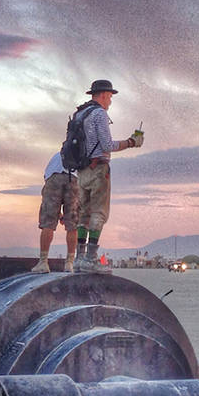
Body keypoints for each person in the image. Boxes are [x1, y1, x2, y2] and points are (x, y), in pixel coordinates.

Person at [71, 79, 142, 273]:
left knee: (83, 214)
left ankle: (79, 258)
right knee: (99, 213)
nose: (110, 101)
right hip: (98, 169)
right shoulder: (99, 114)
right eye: (110, 97)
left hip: (82, 170)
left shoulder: (80, 114)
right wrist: (131, 142)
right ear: (103, 94)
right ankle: (91, 259)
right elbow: (107, 146)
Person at [32, 152, 79, 274]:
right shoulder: (79, 154)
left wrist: (57, 214)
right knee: (72, 225)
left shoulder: (56, 157)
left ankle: (43, 262)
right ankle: (69, 263)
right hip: (74, 179)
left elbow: (51, 200)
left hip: (53, 178)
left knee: (48, 223)